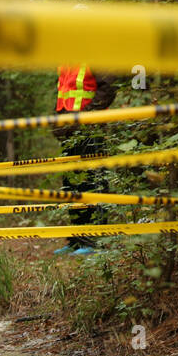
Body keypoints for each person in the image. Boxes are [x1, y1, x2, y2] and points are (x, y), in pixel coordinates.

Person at [53, 65, 121, 254]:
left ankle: (93, 241)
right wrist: (57, 122)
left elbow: (107, 89)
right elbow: (62, 95)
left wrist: (86, 116)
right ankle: (77, 239)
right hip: (68, 131)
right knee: (71, 185)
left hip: (91, 130)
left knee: (92, 182)